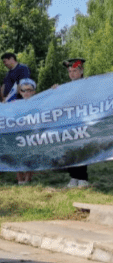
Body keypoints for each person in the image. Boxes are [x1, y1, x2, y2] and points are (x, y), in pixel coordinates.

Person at [57, 59, 90, 188]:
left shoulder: (88, 84)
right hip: (69, 123)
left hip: (82, 122)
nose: (72, 74)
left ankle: (82, 178)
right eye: (70, 71)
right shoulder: (65, 87)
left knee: (81, 149)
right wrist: (55, 91)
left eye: (75, 71)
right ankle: (73, 177)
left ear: (81, 71)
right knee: (70, 149)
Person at [15, 78, 37, 185]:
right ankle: (19, 178)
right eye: (23, 90)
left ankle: (27, 178)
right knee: (17, 155)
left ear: (34, 91)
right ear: (20, 92)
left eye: (29, 90)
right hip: (18, 133)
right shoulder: (15, 104)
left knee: (30, 156)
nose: (26, 92)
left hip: (31, 133)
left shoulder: (38, 103)